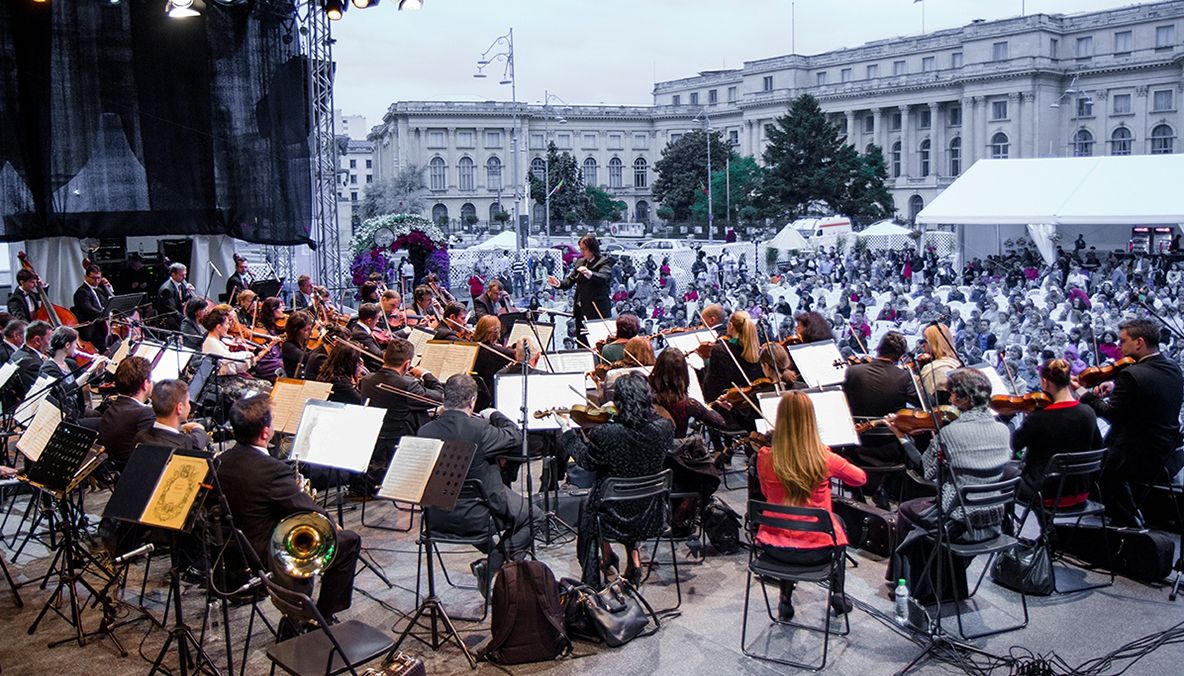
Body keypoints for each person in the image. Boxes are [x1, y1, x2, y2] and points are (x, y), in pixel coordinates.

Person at [216, 395, 361, 622]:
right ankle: (320, 616)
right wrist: (333, 524)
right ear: (265, 432)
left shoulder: (220, 460)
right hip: (265, 553)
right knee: (349, 542)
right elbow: (306, 508)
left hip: (233, 550)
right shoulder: (271, 469)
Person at [888, 369, 1011, 598]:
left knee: (905, 510)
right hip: (993, 519)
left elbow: (925, 472)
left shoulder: (951, 433)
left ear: (963, 398)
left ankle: (909, 586)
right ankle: (946, 581)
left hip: (958, 521)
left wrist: (902, 436)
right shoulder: (1003, 430)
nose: (949, 399)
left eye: (952, 394)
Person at [417, 374, 532, 596]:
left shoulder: (425, 431)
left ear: (444, 398)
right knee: (534, 518)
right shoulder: (479, 429)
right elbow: (515, 437)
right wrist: (495, 415)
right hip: (476, 517)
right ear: (472, 400)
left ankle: (496, 558)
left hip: (436, 517)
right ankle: (492, 567)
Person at [756, 391, 867, 620]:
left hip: (773, 548)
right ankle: (837, 593)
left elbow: (767, 494)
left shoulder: (765, 457)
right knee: (838, 524)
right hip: (816, 552)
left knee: (791, 524)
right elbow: (860, 479)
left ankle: (785, 599)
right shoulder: (824, 458)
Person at [562, 374, 672, 586]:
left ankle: (600, 565)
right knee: (626, 495)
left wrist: (567, 433)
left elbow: (586, 461)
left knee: (590, 506)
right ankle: (634, 557)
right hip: (651, 512)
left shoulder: (606, 433)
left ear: (619, 401)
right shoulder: (664, 427)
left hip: (612, 515)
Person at [1077, 318, 1184, 527]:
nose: (1119, 346)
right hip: (1168, 450)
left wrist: (1086, 395)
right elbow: (1148, 393)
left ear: (1139, 343)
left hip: (1140, 454)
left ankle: (1126, 522)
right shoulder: (1172, 367)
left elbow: (1111, 414)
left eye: (1123, 341)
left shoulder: (1131, 374)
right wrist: (1114, 386)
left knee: (1099, 464)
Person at [1012, 358, 1103, 507]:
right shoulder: (1088, 412)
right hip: (1081, 491)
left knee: (1005, 476)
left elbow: (1014, 445)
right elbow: (1097, 447)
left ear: (1045, 382)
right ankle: (1048, 528)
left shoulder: (1039, 418)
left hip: (1044, 493)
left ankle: (1010, 528)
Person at [359, 338, 444, 488]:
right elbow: (439, 396)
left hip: (377, 441)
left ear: (385, 356)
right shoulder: (407, 385)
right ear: (407, 364)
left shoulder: (367, 379)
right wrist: (426, 375)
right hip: (400, 443)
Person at [841, 331, 921, 474]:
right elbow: (926, 403)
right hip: (891, 451)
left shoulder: (853, 372)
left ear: (878, 348)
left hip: (856, 449)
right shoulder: (903, 377)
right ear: (900, 355)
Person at [650, 347, 728, 440]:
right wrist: (707, 406)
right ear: (684, 373)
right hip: (675, 451)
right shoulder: (688, 404)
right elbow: (720, 423)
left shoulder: (644, 395)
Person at [547, 234, 613, 342]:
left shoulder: (603, 262)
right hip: (580, 310)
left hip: (596, 310)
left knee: (597, 341)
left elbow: (604, 277)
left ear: (592, 249)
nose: (582, 252)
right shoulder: (580, 262)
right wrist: (558, 283)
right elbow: (570, 280)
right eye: (581, 249)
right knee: (582, 341)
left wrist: (589, 273)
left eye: (584, 249)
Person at [97, 356, 155, 470]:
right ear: (145, 384)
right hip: (134, 472)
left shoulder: (113, 408)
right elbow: (153, 452)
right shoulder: (145, 413)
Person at [39, 326, 107, 423]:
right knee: (104, 423)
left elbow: (94, 380)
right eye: (75, 343)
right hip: (65, 416)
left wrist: (100, 368)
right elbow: (67, 390)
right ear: (67, 345)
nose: (76, 346)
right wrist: (91, 369)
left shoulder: (70, 363)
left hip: (78, 410)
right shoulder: (48, 369)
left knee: (104, 414)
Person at [702, 310, 764, 402]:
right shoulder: (759, 351)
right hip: (752, 407)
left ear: (731, 326)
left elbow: (711, 391)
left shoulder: (720, 351)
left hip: (729, 409)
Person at [133, 379, 209, 450]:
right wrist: (198, 428)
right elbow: (197, 442)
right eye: (188, 402)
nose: (189, 406)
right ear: (179, 408)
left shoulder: (140, 437)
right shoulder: (184, 445)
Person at [4, 320, 52, 409]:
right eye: (49, 339)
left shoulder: (19, 353)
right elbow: (44, 396)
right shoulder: (33, 365)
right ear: (37, 340)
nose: (50, 344)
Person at [471, 315, 514, 412]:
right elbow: (517, 357)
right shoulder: (500, 353)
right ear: (497, 332)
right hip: (492, 398)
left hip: (474, 396)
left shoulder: (471, 347)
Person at [918, 322, 961, 405]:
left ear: (935, 343)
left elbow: (926, 401)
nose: (922, 345)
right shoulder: (956, 363)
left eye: (925, 341)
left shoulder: (934, 369)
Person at [73, 263, 114, 348]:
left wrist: (108, 288)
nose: (96, 281)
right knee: (104, 345)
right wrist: (104, 314)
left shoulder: (99, 289)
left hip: (102, 324)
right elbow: (89, 310)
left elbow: (109, 302)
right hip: (92, 327)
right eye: (93, 278)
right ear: (86, 277)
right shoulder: (82, 292)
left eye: (99, 278)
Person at [155, 263, 192, 330]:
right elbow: (172, 311)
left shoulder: (181, 284)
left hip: (179, 317)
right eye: (181, 275)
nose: (184, 277)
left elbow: (183, 300)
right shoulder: (167, 290)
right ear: (173, 274)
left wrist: (189, 293)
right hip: (170, 321)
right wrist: (187, 320)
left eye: (185, 274)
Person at [281, 311, 313, 378]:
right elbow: (305, 358)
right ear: (296, 331)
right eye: (306, 330)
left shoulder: (303, 343)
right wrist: (322, 347)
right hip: (295, 382)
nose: (311, 332)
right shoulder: (288, 346)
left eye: (310, 328)